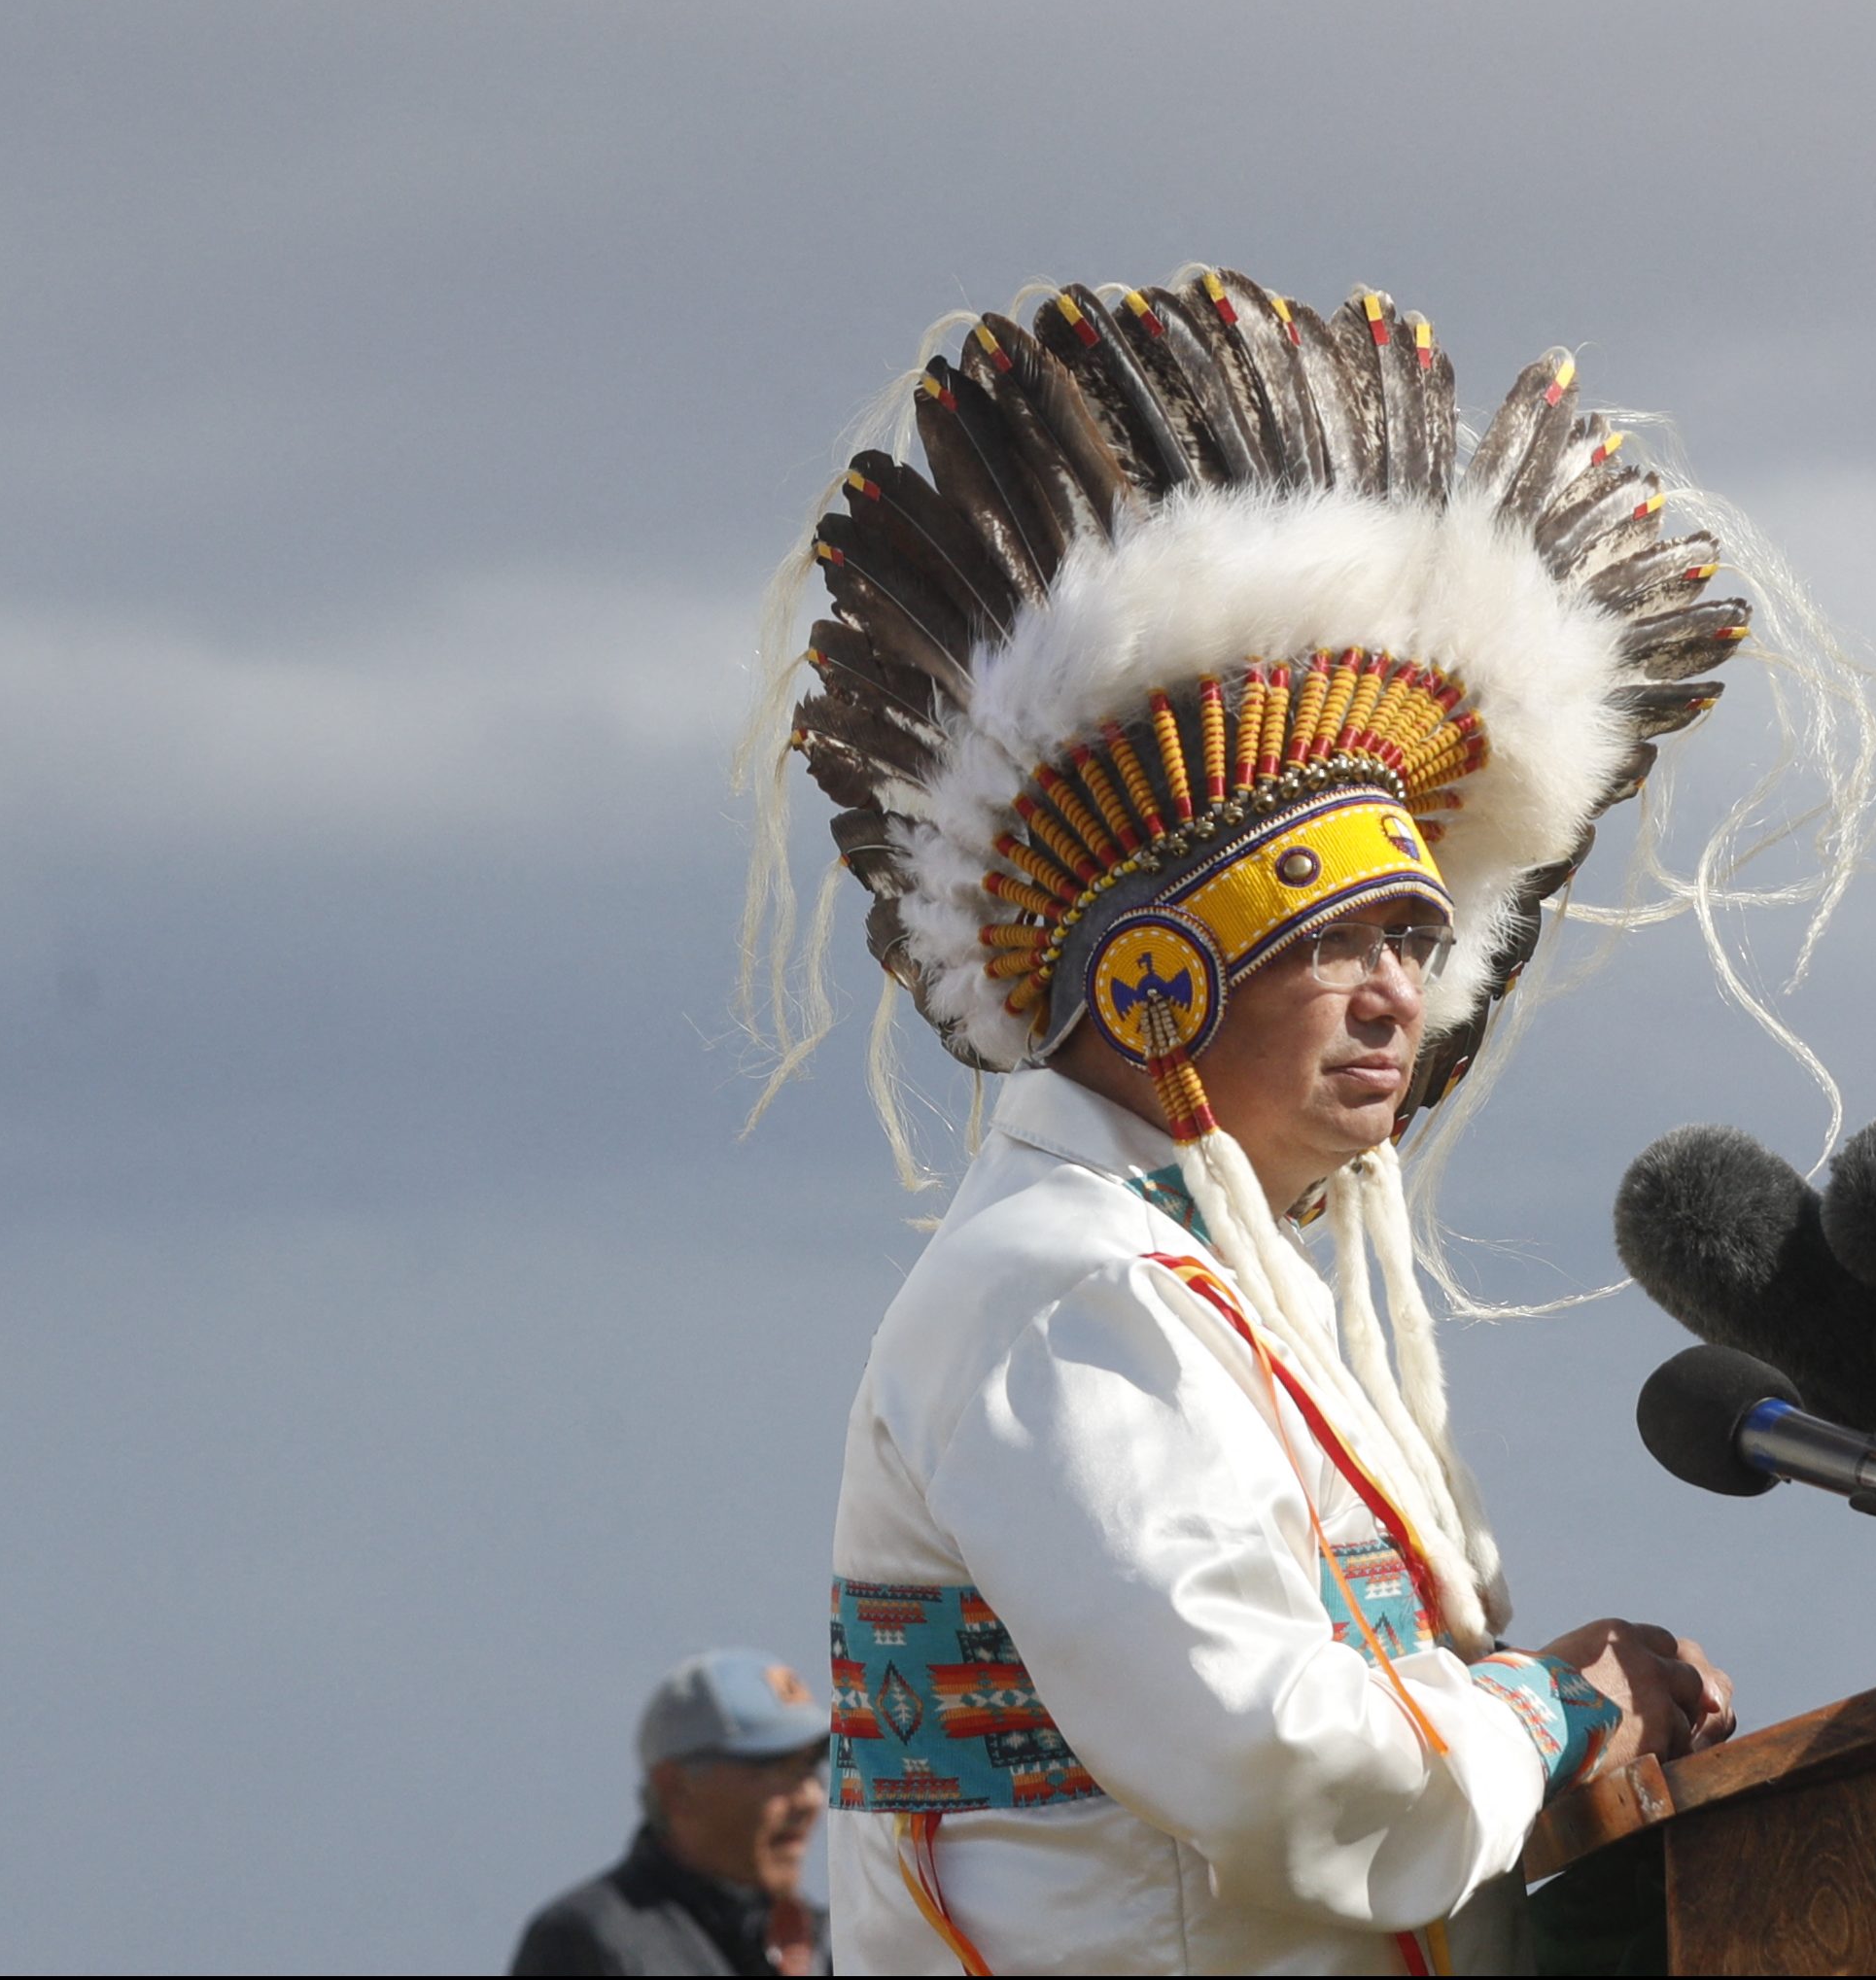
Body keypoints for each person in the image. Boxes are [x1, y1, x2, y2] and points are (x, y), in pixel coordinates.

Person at [746, 269, 1793, 1972]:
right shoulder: (1065, 1285)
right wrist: (1532, 1709)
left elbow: (1300, 1727)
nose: (1397, 992)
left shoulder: (1193, 1275)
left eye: (1412, 936)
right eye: (1327, 941)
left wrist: (1519, 1697)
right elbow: (1272, 1755)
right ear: (1152, 981)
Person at [512, 1648, 832, 1976]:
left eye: (810, 1766)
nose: (809, 1798)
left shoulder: (832, 1948)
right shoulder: (585, 1942)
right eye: (774, 1767)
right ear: (675, 1788)